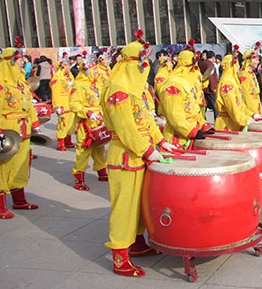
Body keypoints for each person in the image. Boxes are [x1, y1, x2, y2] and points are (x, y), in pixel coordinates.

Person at [100, 31, 176, 277]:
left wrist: (160, 141)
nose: (144, 70)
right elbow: (126, 128)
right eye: (141, 65)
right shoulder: (117, 90)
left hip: (142, 153)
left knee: (139, 204)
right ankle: (120, 256)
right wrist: (147, 150)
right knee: (124, 207)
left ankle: (137, 242)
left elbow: (145, 119)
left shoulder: (135, 89)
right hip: (125, 156)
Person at [0, 43, 42, 219]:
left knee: (21, 164)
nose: (22, 63)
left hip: (23, 130)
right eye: (18, 60)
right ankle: (0, 205)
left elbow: (28, 106)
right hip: (7, 130)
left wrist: (35, 123)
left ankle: (19, 200)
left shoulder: (22, 84)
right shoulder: (1, 85)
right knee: (3, 166)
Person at [159, 49, 212, 148]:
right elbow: (174, 114)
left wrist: (203, 124)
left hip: (190, 134)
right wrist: (191, 131)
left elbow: (193, 108)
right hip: (177, 137)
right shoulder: (173, 83)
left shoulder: (185, 81)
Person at [69, 59, 108, 190]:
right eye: (94, 70)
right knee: (83, 151)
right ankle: (79, 178)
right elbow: (74, 104)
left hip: (98, 122)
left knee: (99, 149)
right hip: (85, 124)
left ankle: (102, 172)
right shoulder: (79, 86)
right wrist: (88, 112)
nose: (96, 72)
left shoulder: (97, 85)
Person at [215, 49, 262, 132]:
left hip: (235, 122)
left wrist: (251, 114)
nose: (238, 67)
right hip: (227, 124)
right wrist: (245, 119)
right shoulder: (227, 83)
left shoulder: (233, 81)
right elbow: (232, 107)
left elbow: (240, 104)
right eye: (236, 65)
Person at [51, 53, 77, 151]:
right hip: (62, 102)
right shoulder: (57, 78)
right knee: (63, 123)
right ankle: (60, 143)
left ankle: (68, 140)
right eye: (67, 66)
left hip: (70, 102)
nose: (69, 67)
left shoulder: (70, 76)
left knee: (71, 122)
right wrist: (57, 105)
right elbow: (55, 93)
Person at [238, 46, 262, 115]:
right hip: (250, 109)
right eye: (256, 60)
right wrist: (252, 112)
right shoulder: (244, 74)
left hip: (256, 105)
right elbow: (245, 95)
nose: (258, 62)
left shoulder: (251, 73)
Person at [199, 50, 219, 120]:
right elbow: (211, 77)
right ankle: (217, 120)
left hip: (204, 88)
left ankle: (203, 120)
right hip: (210, 88)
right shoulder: (210, 64)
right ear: (213, 57)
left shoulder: (203, 63)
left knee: (204, 106)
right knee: (215, 107)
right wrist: (213, 88)